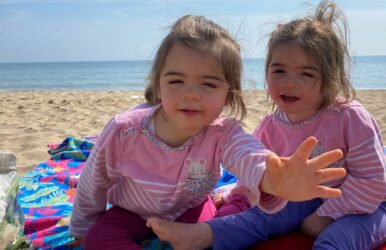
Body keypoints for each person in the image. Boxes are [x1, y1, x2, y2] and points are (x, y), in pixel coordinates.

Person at [68, 14, 347, 249]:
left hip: (192, 210)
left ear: (229, 94)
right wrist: (81, 228)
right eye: (176, 80)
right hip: (129, 212)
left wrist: (275, 180)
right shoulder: (124, 131)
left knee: (216, 234)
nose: (191, 94)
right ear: (158, 83)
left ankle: (229, 206)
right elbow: (94, 181)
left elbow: (249, 156)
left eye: (209, 84)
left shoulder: (223, 132)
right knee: (98, 238)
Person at [146, 1, 386, 249]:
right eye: (279, 71)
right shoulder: (270, 125)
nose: (289, 83)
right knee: (258, 217)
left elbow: (374, 182)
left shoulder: (350, 117)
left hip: (367, 207)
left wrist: (328, 214)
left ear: (330, 77)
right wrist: (237, 190)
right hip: (304, 197)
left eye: (306, 74)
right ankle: (202, 235)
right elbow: (261, 171)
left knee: (336, 240)